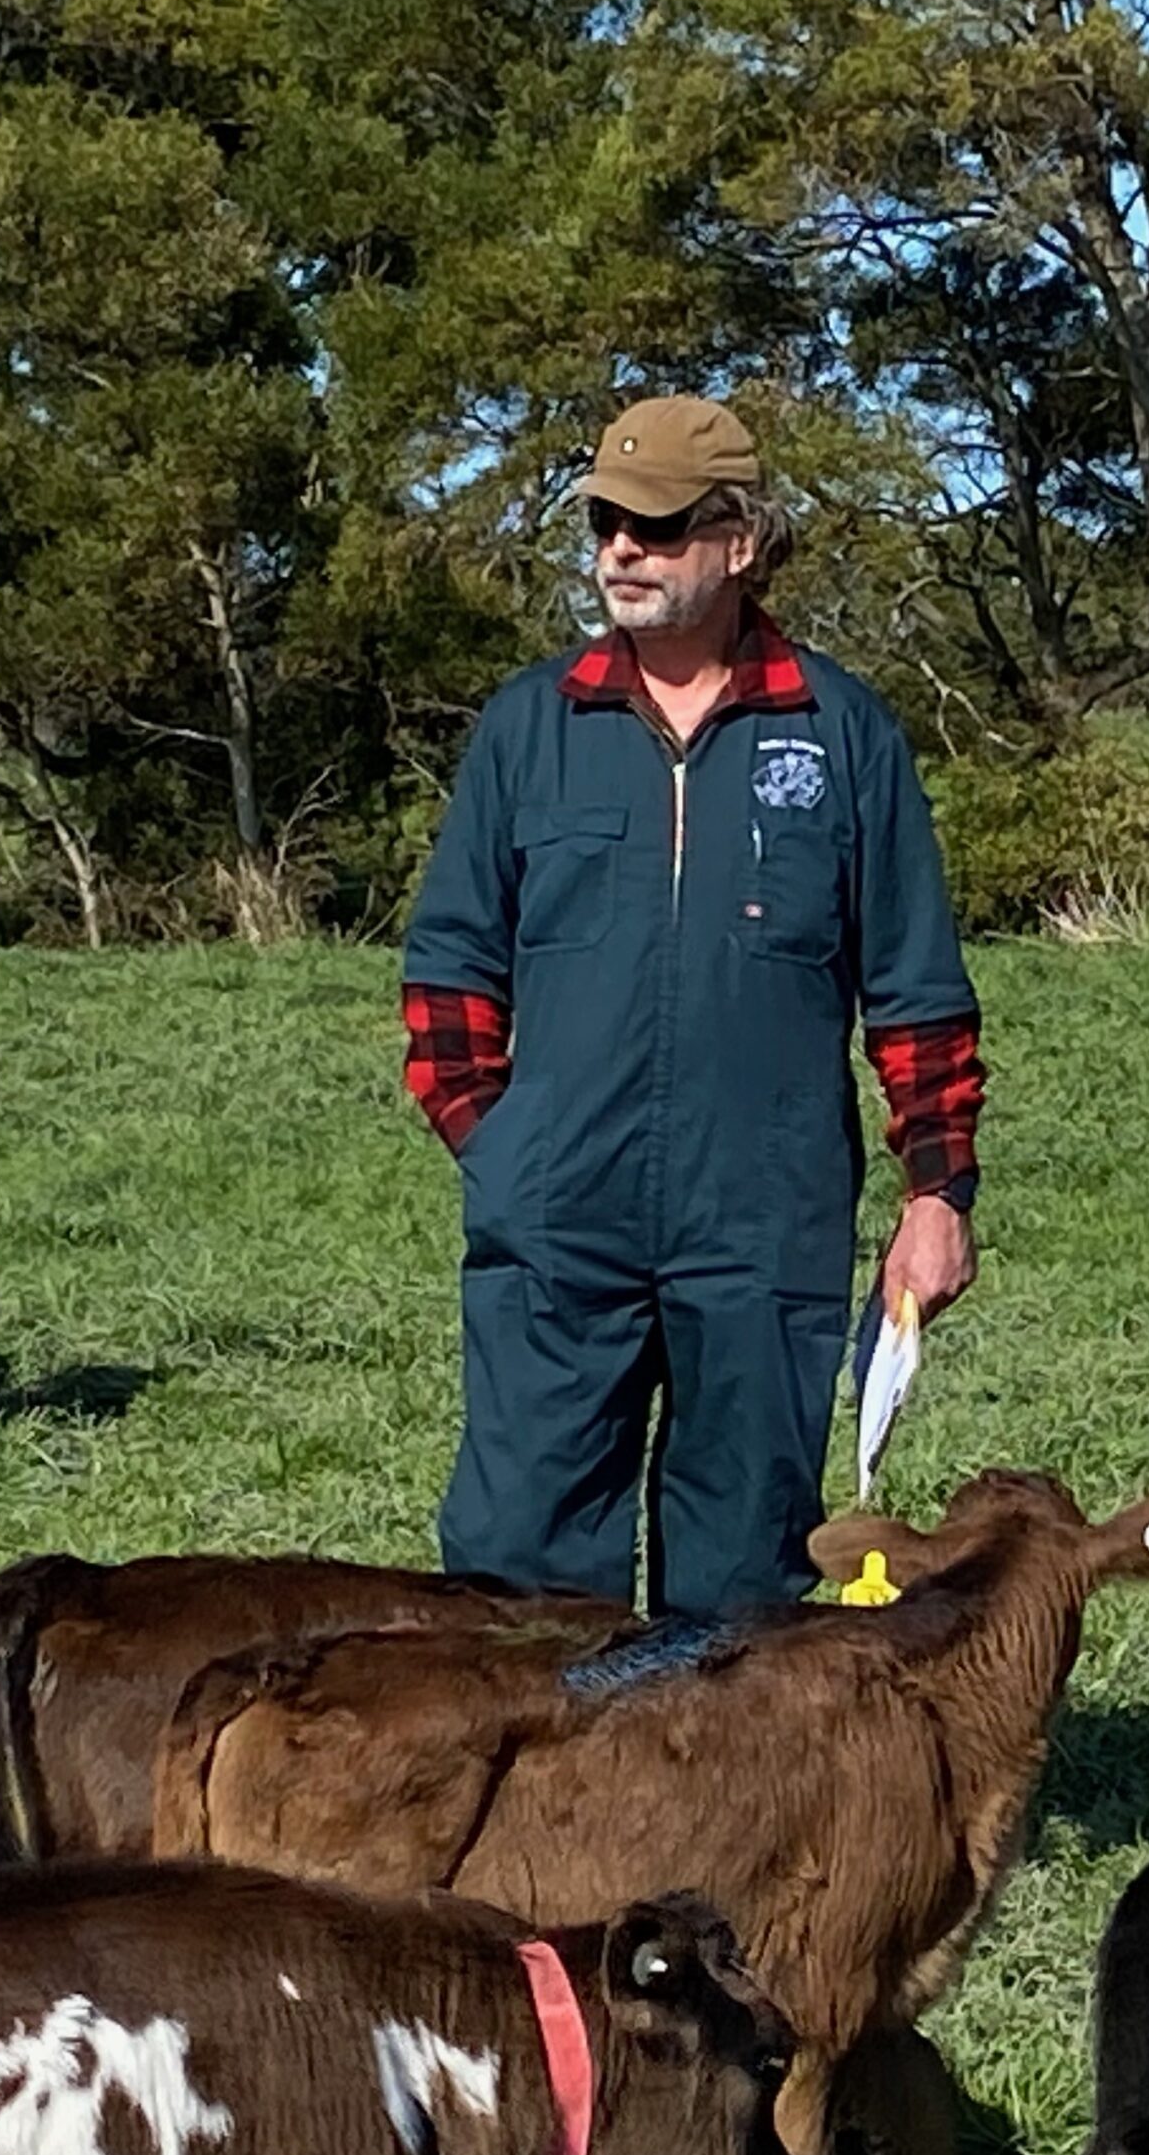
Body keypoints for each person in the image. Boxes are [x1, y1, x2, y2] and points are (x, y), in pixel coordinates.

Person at [401, 395, 984, 1615]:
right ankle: (543, 1814)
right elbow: (449, 973)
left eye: (656, 528)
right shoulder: (530, 728)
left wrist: (936, 1192)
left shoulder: (840, 733)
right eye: (607, 523)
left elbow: (916, 988)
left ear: (741, 539)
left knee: (744, 1586)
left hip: (763, 1226)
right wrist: (504, 1150)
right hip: (557, 1223)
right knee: (519, 1571)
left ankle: (711, 1809)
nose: (621, 551)